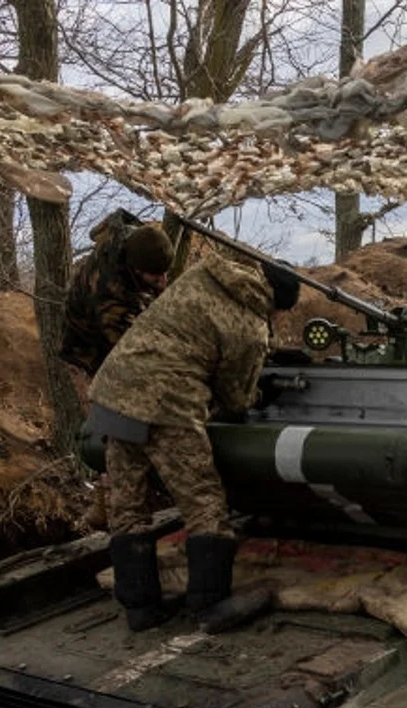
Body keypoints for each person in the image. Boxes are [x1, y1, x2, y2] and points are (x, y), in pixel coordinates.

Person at [88, 244, 302, 632]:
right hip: (165, 404)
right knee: (204, 504)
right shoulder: (249, 326)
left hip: (115, 389)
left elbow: (190, 333)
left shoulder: (203, 277)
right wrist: (262, 390)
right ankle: (210, 604)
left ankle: (140, 608)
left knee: (128, 503)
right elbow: (236, 400)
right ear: (274, 302)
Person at [60, 211, 176, 378]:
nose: (164, 280)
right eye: (156, 275)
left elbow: (98, 230)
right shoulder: (113, 299)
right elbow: (132, 353)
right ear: (137, 270)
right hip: (85, 344)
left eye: (166, 272)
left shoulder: (128, 234)